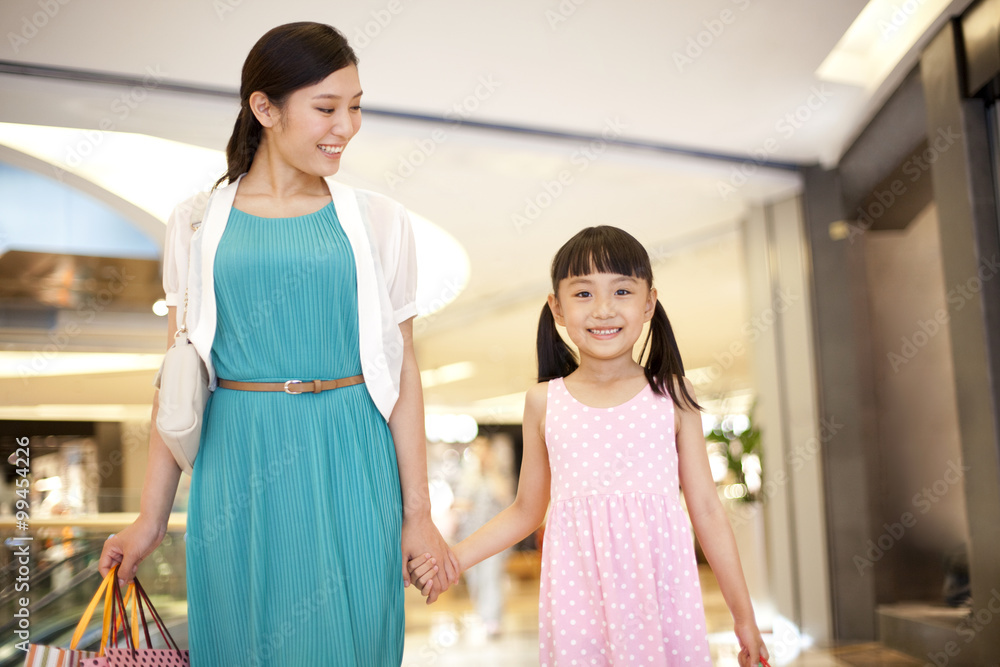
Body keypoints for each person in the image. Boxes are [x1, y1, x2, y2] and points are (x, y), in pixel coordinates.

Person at [99, 22, 458, 666]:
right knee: (243, 638)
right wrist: (149, 520)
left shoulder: (380, 221)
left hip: (354, 453)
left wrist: (419, 515)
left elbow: (404, 375)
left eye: (355, 108)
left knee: (348, 642)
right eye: (326, 108)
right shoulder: (196, 221)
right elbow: (177, 382)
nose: (344, 127)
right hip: (237, 457)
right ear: (264, 109)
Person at [409, 226, 769, 666]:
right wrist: (453, 560)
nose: (603, 309)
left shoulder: (673, 395)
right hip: (577, 595)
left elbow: (708, 511)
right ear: (556, 307)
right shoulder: (544, 401)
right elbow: (525, 510)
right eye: (583, 294)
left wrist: (744, 616)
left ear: (649, 303)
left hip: (661, 595)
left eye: (622, 291)